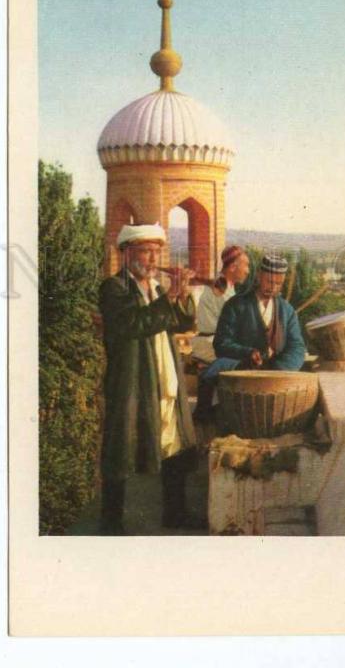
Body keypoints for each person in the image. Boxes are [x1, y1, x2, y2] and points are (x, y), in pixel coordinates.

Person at [98, 223, 200, 535]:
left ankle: (176, 513)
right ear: (126, 253)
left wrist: (181, 294)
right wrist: (169, 297)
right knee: (121, 451)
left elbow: (183, 322)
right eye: (145, 250)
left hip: (163, 378)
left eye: (157, 251)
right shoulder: (114, 289)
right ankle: (111, 524)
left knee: (176, 446)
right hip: (133, 383)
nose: (153, 258)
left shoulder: (155, 288)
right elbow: (134, 323)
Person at [194, 254, 306, 420]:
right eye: (269, 281)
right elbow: (221, 343)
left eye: (278, 283)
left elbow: (297, 347)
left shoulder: (287, 311)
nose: (273, 288)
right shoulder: (235, 305)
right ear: (259, 276)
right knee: (211, 374)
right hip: (241, 365)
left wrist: (278, 370)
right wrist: (248, 353)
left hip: (275, 369)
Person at [190, 245, 250, 365]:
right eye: (246, 265)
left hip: (213, 343)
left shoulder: (227, 287)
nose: (247, 271)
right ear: (233, 267)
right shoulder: (221, 290)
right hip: (210, 346)